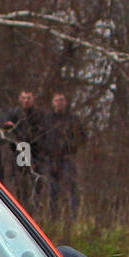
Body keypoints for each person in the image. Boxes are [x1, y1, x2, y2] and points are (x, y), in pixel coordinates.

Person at [44, 92, 85, 220]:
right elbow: (41, 138)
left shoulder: (73, 119)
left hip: (68, 158)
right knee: (53, 190)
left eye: (61, 100)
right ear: (53, 103)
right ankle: (53, 217)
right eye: (56, 100)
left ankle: (74, 216)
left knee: (72, 188)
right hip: (52, 159)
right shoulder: (48, 119)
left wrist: (71, 147)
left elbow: (82, 137)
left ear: (65, 102)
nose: (59, 103)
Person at [4, 90, 45, 208]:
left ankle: (36, 207)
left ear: (33, 99)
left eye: (29, 98)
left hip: (35, 153)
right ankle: (21, 206)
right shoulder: (14, 114)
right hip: (19, 152)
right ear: (20, 99)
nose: (26, 101)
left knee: (35, 182)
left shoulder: (38, 115)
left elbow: (40, 135)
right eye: (24, 98)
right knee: (20, 182)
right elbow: (7, 132)